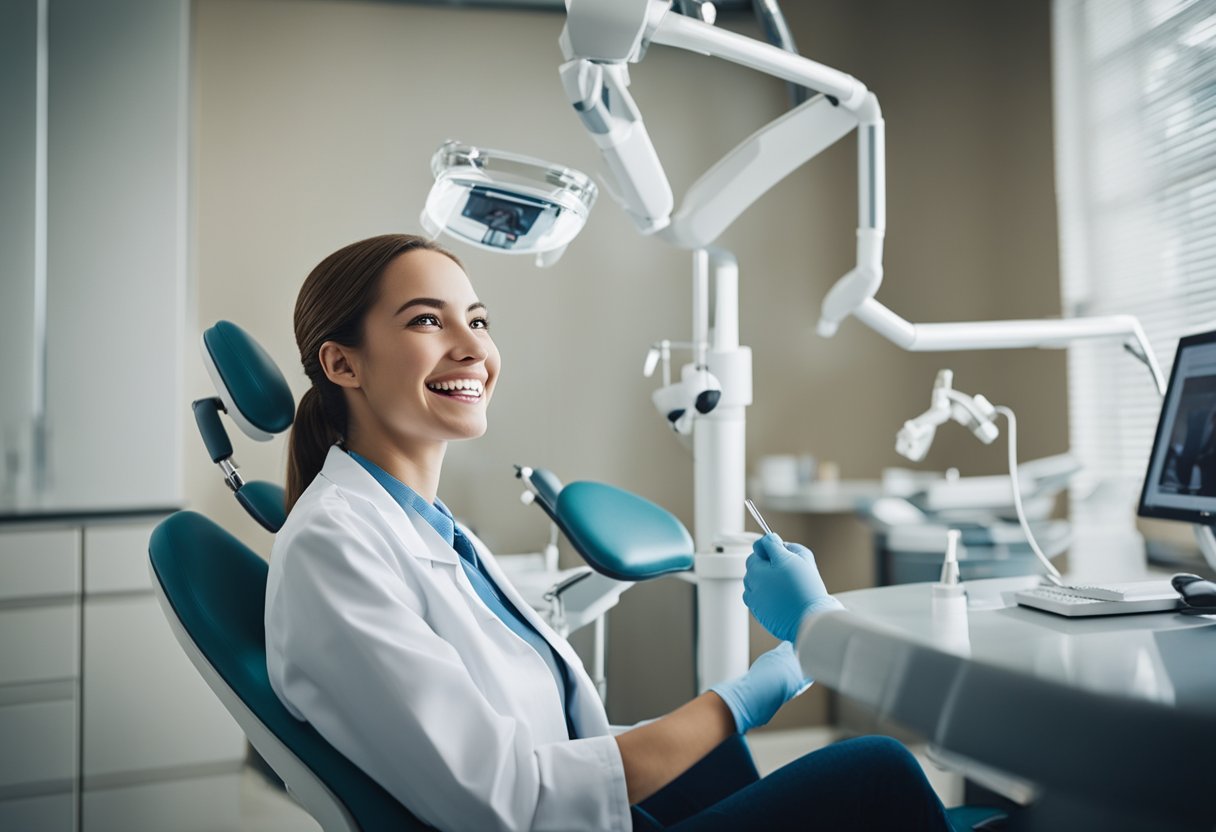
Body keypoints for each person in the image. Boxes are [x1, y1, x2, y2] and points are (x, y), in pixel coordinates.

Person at [265, 233, 952, 831]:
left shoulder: (429, 528)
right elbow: (508, 799)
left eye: (478, 320)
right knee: (878, 771)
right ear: (342, 364)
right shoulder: (335, 545)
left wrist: (736, 709)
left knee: (720, 761)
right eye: (426, 322)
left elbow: (552, 739)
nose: (473, 348)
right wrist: (764, 684)